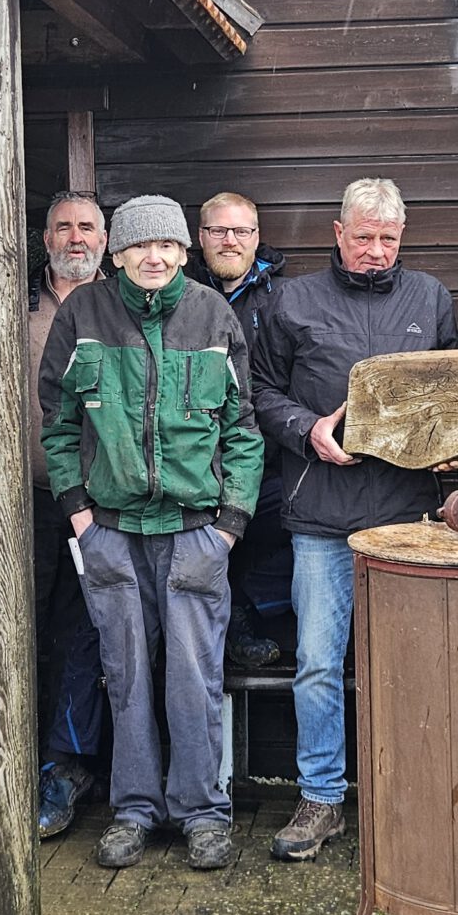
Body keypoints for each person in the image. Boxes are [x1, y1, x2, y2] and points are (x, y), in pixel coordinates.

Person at [42, 194, 264, 871]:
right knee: (125, 674)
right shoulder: (83, 315)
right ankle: (134, 809)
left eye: (166, 245)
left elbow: (243, 430)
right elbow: (57, 426)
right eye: (140, 246)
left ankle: (202, 813)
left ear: (183, 251)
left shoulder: (211, 313)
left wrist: (229, 524)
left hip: (196, 531)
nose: (154, 256)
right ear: (117, 254)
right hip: (112, 531)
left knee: (193, 678)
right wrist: (81, 514)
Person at [250, 177, 458, 861]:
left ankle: (407, 797)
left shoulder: (429, 297)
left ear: (404, 237)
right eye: (363, 236)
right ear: (337, 234)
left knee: (406, 665)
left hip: (408, 516)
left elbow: (454, 393)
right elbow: (259, 391)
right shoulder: (293, 301)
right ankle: (320, 798)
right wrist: (306, 428)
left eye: (388, 238)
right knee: (315, 663)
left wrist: (454, 453)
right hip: (322, 517)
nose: (375, 250)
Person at [28, 192, 113, 840]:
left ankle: (66, 764)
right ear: (46, 236)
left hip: (102, 501)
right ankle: (20, 765)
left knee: (84, 635)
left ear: (105, 238)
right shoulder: (13, 306)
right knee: (24, 636)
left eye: (86, 226)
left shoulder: (127, 302)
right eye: (64, 226)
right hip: (23, 498)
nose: (75, 236)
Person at [196, 190, 289, 669]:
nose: (230, 240)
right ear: (201, 236)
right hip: (192, 462)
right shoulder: (178, 290)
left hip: (266, 457)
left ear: (257, 238)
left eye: (241, 231)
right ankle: (228, 631)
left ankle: (244, 617)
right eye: (218, 231)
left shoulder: (283, 297)